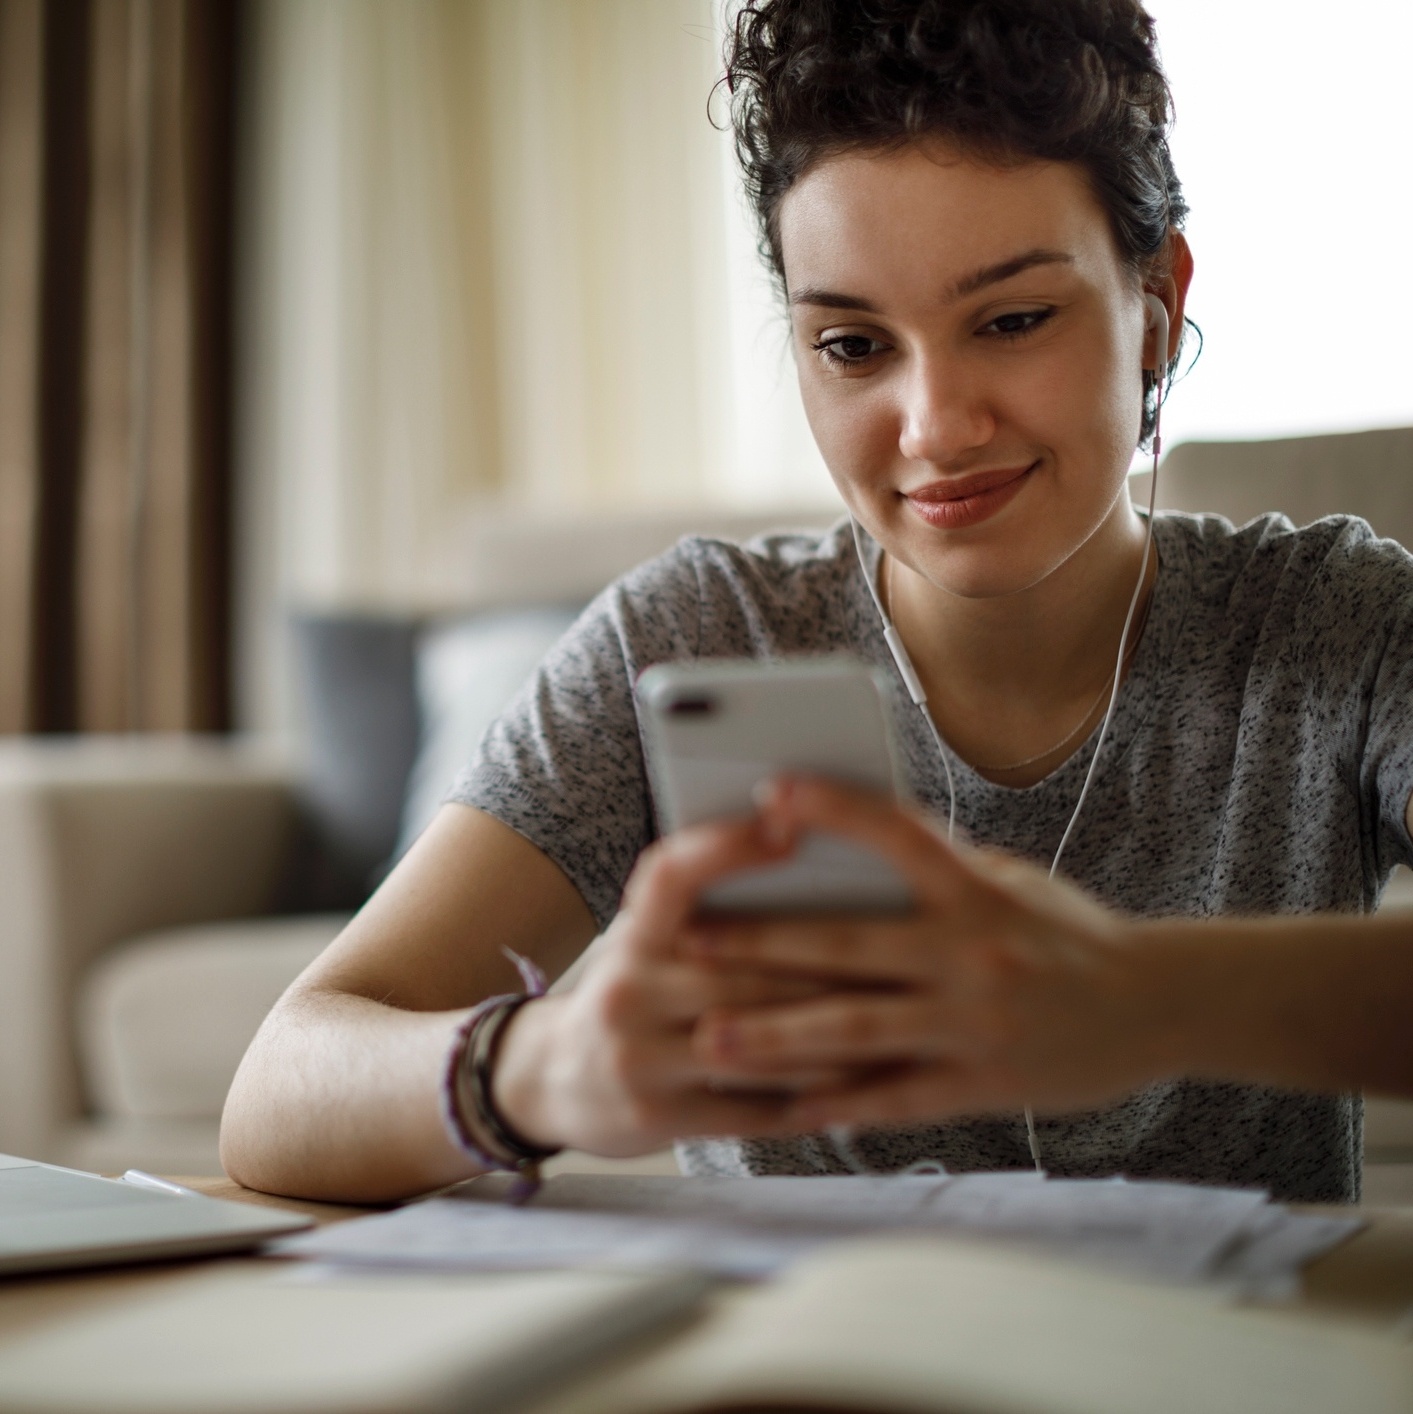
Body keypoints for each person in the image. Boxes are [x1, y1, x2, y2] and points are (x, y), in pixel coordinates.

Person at [221, 0, 1413, 1206]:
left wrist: (1138, 999)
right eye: (853, 345)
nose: (936, 427)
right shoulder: (689, 635)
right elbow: (276, 1092)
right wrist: (543, 1068)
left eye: (1011, 320)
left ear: (1154, 304)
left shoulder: (1337, 623)